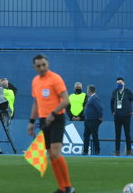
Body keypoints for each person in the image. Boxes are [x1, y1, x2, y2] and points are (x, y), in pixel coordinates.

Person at [27, 54, 75, 193]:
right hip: (43, 119)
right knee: (50, 154)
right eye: (38, 66)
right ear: (34, 67)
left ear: (47, 64)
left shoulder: (55, 78)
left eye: (43, 64)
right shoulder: (35, 81)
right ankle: (61, 187)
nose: (42, 68)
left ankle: (68, 187)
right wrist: (31, 122)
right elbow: (36, 103)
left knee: (56, 152)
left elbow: (66, 100)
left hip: (57, 118)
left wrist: (53, 114)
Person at [111, 76, 133, 156]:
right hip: (117, 116)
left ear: (124, 83)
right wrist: (112, 111)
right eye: (117, 83)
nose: (118, 85)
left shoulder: (128, 92)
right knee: (117, 134)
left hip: (126, 116)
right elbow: (111, 102)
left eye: (120, 83)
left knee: (127, 134)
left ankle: (129, 151)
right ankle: (117, 151)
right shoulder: (114, 92)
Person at [82, 84, 103, 155]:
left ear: (89, 90)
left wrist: (100, 117)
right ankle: (85, 151)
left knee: (94, 136)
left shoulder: (94, 98)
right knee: (86, 135)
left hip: (93, 120)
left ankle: (97, 151)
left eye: (87, 90)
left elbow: (99, 108)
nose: (87, 91)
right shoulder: (91, 98)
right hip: (88, 120)